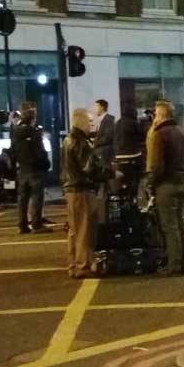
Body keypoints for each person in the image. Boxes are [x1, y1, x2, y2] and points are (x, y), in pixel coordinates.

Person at [62, 108, 106, 279]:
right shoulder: (81, 143)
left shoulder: (68, 140)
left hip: (71, 189)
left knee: (75, 229)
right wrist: (110, 174)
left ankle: (74, 263)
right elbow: (89, 169)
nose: (93, 123)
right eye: (90, 121)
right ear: (80, 122)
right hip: (82, 189)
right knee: (85, 231)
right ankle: (83, 265)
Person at [147, 100, 184, 275]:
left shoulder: (160, 135)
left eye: (156, 114)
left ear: (162, 115)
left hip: (166, 185)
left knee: (169, 227)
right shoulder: (181, 133)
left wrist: (150, 184)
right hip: (181, 182)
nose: (154, 118)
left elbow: (157, 166)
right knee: (181, 224)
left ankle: (174, 265)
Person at [10, 101, 51, 234]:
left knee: (23, 198)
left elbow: (13, 150)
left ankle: (22, 224)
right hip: (35, 168)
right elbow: (39, 151)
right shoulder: (34, 131)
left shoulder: (15, 130)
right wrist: (45, 162)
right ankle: (36, 224)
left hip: (22, 168)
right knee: (37, 197)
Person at [93, 99, 115, 169]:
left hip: (105, 153)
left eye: (96, 107)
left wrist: (95, 143)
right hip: (100, 152)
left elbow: (108, 137)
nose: (95, 109)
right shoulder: (100, 120)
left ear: (102, 107)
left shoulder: (109, 119)